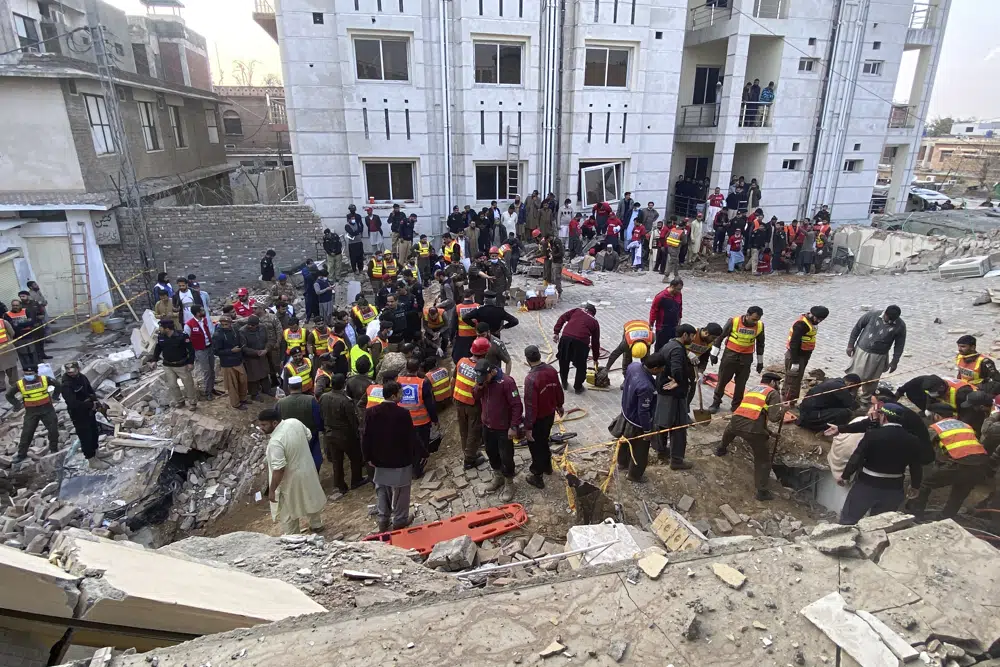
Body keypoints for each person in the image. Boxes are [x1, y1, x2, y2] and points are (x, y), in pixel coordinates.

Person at [836, 403, 923, 525]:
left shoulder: (873, 434)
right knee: (880, 524)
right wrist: (915, 485)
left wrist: (845, 476)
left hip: (866, 484)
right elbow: (916, 466)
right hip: (894, 487)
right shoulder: (913, 440)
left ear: (884, 417)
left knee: (849, 519)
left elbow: (857, 457)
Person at [906, 403, 991, 519]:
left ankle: (916, 514)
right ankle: (947, 516)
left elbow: (923, 448)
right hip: (981, 463)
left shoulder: (935, 428)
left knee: (924, 484)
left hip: (959, 463)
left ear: (936, 416)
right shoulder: (965, 425)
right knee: (959, 491)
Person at [715, 372, 786, 500]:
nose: (778, 386)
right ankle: (762, 491)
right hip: (753, 430)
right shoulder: (772, 393)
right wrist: (783, 409)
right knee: (763, 460)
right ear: (772, 382)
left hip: (736, 423)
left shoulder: (753, 389)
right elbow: (774, 418)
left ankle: (721, 449)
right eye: (777, 383)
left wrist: (770, 433)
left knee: (730, 430)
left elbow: (752, 413)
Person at [363, 380, 422, 531]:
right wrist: (420, 454)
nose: (402, 396)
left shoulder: (371, 412)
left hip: (379, 460)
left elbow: (366, 436)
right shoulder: (403, 414)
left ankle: (383, 519)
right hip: (400, 461)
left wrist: (368, 457)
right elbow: (411, 437)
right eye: (401, 393)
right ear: (394, 395)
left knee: (382, 489)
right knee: (402, 492)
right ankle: (400, 520)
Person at [258, 408, 326, 535]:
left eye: (264, 425)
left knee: (287, 510)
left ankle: (293, 536)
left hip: (290, 480)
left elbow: (279, 469)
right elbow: (308, 435)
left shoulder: (276, 442)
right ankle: (317, 525)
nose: (261, 428)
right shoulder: (294, 422)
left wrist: (272, 490)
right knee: (309, 497)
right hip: (307, 469)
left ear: (274, 423)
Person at [473, 359, 522, 503]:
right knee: (491, 452)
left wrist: (514, 426)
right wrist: (479, 386)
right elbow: (475, 397)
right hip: (487, 426)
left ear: (492, 371)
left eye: (485, 377)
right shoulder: (483, 382)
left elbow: (517, 405)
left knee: (506, 456)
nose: (483, 380)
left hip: (503, 428)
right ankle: (498, 477)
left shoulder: (507, 382)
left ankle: (509, 483)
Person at [615, 353, 665, 482]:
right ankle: (634, 475)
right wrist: (647, 431)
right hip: (637, 423)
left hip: (626, 412)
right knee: (640, 451)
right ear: (654, 369)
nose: (662, 371)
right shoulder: (646, 387)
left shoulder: (634, 366)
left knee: (625, 442)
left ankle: (622, 463)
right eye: (661, 368)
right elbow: (643, 411)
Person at [522, 345, 564, 489]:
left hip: (537, 419)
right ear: (539, 356)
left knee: (536, 446)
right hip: (549, 415)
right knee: (544, 440)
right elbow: (558, 388)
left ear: (527, 360)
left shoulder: (531, 379)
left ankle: (537, 475)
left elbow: (530, 406)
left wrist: (528, 427)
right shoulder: (551, 370)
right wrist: (560, 405)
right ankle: (547, 467)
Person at [654, 324, 696, 470]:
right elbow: (677, 368)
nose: (693, 339)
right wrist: (678, 381)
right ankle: (677, 460)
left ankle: (661, 451)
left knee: (661, 422)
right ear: (685, 335)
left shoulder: (668, 344)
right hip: (675, 395)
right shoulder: (678, 349)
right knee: (679, 427)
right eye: (692, 336)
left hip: (663, 391)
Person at [708, 307, 765, 413]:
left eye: (757, 319)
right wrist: (714, 354)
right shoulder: (733, 322)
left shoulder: (760, 326)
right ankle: (716, 402)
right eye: (753, 319)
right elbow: (720, 337)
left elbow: (760, 344)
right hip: (730, 356)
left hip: (746, 358)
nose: (755, 322)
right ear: (747, 315)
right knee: (722, 380)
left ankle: (736, 406)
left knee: (741, 384)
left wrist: (760, 361)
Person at [843, 306, 906, 401]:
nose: (889, 322)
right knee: (855, 376)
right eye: (888, 319)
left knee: (872, 379)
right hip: (862, 351)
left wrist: (894, 361)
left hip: (879, 356)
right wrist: (850, 345)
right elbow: (857, 328)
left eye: (892, 321)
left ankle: (865, 399)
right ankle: (850, 396)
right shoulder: (872, 315)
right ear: (885, 314)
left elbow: (899, 345)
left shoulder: (900, 325)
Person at [320, 373, 367, 494]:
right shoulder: (346, 401)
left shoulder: (324, 397)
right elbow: (352, 421)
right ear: (344, 384)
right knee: (356, 458)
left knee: (337, 461)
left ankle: (340, 485)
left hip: (330, 434)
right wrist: (357, 433)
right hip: (345, 435)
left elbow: (322, 415)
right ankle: (356, 480)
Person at [7, 364, 61, 463]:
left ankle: (54, 449)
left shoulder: (45, 379)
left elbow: (58, 385)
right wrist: (17, 405)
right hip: (31, 411)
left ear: (36, 373)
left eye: (31, 373)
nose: (28, 375)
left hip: (47, 409)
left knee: (53, 430)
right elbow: (8, 395)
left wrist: (55, 397)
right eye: (26, 374)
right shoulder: (20, 384)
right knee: (27, 433)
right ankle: (21, 454)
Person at [61, 361, 110, 470]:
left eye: (73, 371)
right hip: (79, 414)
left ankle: (97, 452)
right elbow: (72, 403)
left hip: (89, 410)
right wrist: (89, 405)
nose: (72, 374)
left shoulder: (82, 377)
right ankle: (91, 460)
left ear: (78, 369)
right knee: (85, 436)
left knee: (94, 431)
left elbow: (89, 390)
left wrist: (95, 401)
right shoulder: (66, 385)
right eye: (69, 372)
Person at [398, 358, 439, 477]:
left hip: (404, 421)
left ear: (406, 368)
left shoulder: (399, 381)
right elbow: (430, 404)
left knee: (408, 446)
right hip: (421, 422)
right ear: (418, 369)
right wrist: (435, 419)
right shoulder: (422, 383)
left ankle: (410, 468)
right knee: (421, 446)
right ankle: (417, 470)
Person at [146, 319, 197, 410]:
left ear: (167, 329)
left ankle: (192, 402)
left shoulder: (182, 336)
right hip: (168, 365)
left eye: (161, 327)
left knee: (188, 384)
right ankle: (180, 400)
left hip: (181, 365)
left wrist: (190, 362)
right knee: (172, 385)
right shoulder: (161, 337)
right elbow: (158, 349)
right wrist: (154, 360)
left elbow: (191, 350)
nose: (159, 329)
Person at [278, 371, 323, 470]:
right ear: (301, 386)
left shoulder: (280, 403)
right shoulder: (311, 400)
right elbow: (318, 419)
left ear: (289, 387)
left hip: (290, 438)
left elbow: (277, 422)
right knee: (315, 458)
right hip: (311, 435)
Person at [784, 306, 829, 403]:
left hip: (803, 355)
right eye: (818, 319)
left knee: (796, 380)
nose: (819, 321)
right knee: (792, 381)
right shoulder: (801, 325)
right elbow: (794, 344)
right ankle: (787, 403)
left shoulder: (812, 323)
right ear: (812, 314)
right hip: (795, 356)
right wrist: (795, 362)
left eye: (821, 320)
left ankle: (791, 401)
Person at [553, 303, 601, 393]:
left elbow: (562, 318)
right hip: (581, 343)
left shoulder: (577, 310)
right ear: (593, 313)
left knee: (563, 362)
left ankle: (564, 383)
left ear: (586, 309)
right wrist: (595, 358)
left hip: (566, 339)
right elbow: (595, 342)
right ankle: (578, 387)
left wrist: (556, 332)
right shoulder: (594, 322)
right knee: (581, 366)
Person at [796, 374, 861, 431]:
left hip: (805, 411)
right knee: (845, 413)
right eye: (854, 389)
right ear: (851, 384)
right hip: (808, 417)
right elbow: (853, 406)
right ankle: (827, 429)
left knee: (840, 405)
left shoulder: (834, 380)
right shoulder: (841, 388)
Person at [212, 314, 249, 410]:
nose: (225, 326)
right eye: (223, 324)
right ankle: (236, 403)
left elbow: (240, 341)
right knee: (232, 385)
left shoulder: (235, 330)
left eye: (227, 324)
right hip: (228, 364)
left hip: (238, 361)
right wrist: (231, 351)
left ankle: (243, 398)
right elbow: (216, 351)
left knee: (243, 381)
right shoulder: (218, 335)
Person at [184, 304, 216, 401]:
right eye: (202, 310)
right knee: (206, 371)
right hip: (200, 350)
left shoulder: (205, 320)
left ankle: (212, 387)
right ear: (198, 313)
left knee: (212, 369)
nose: (204, 311)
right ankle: (207, 392)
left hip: (209, 347)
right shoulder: (189, 325)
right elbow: (186, 339)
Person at [240, 315, 272, 399]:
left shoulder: (263, 328)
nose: (250, 326)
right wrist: (256, 352)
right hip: (250, 358)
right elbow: (243, 347)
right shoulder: (242, 331)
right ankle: (254, 394)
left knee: (265, 373)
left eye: (253, 325)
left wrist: (266, 349)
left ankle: (267, 389)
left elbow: (268, 340)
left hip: (263, 354)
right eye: (249, 325)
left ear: (257, 325)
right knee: (253, 376)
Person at [650, 279, 683, 352]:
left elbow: (680, 306)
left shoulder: (679, 295)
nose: (679, 291)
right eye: (678, 289)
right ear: (672, 286)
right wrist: (651, 324)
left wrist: (680, 317)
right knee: (660, 347)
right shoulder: (661, 296)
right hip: (662, 327)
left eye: (680, 289)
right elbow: (653, 310)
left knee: (673, 345)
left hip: (674, 325)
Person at [0, 315, 18, 394]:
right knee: (11, 368)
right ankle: (14, 384)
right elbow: (12, 333)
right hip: (7, 348)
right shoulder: (3, 322)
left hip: (6, 349)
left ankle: (1, 386)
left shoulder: (3, 322)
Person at [345, 208, 365, 274]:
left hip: (359, 242)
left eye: (354, 218)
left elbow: (360, 229)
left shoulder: (357, 223)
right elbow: (351, 233)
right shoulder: (347, 225)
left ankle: (361, 269)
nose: (353, 220)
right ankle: (354, 270)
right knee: (353, 257)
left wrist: (356, 232)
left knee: (360, 256)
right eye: (352, 219)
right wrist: (357, 232)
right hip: (352, 243)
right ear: (349, 219)